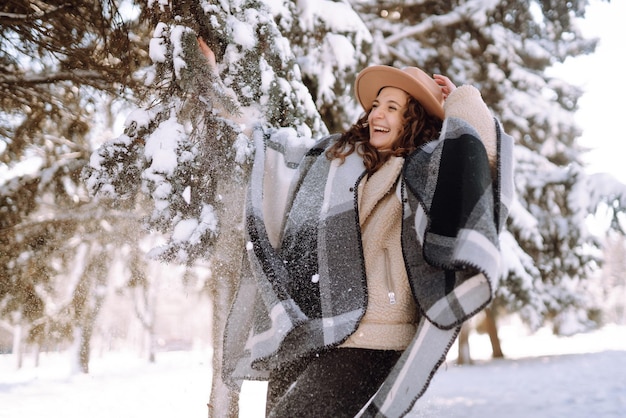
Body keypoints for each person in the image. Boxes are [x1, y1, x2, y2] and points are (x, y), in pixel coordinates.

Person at [199, 39, 515, 418]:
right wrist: (211, 80)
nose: (377, 114)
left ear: (414, 118)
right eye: (375, 105)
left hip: (375, 337)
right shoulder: (339, 163)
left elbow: (481, 156)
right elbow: (266, 144)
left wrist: (461, 100)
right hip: (313, 326)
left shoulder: (426, 169)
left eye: (392, 108)